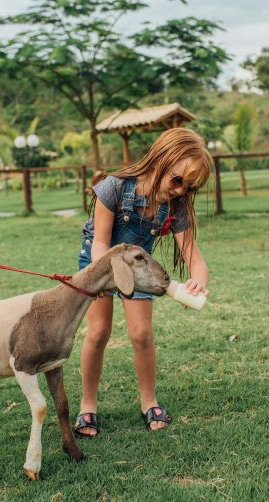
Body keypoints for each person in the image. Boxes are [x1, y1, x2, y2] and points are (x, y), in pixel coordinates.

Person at [73, 128, 210, 436]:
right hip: (99, 263)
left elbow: (193, 256)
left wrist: (198, 280)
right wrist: (107, 277)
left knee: (142, 334)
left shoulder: (174, 206)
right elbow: (100, 244)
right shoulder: (113, 189)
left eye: (189, 188)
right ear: (160, 160)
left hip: (139, 269)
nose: (180, 191)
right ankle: (87, 405)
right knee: (98, 332)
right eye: (177, 180)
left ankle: (149, 400)